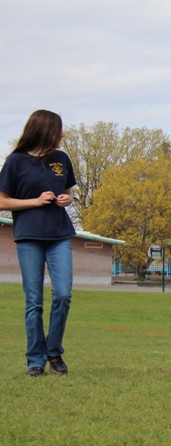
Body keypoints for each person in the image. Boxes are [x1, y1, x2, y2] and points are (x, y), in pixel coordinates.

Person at [0, 110, 76, 377]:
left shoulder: (61, 159)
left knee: (63, 294)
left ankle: (54, 352)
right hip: (29, 237)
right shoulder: (15, 161)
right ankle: (35, 359)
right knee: (34, 301)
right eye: (58, 130)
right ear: (44, 130)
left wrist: (67, 199)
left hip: (59, 235)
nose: (62, 135)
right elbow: (2, 201)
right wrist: (34, 201)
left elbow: (67, 192)